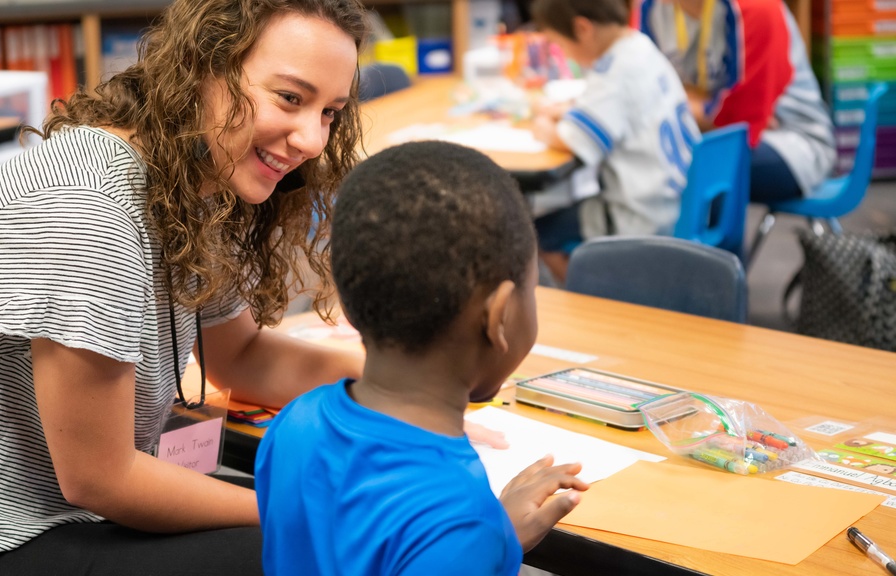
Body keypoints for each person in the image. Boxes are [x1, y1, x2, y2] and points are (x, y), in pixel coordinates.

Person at [0, 0, 368, 574]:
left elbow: (244, 354)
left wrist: (396, 383)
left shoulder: (195, 178)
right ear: (204, 67)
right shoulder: (87, 208)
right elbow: (100, 480)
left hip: (70, 510)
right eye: (290, 98)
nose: (311, 138)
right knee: (305, 546)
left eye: (331, 112)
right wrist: (293, 510)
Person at [255, 140, 590, 575]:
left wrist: (496, 538)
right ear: (500, 316)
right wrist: (487, 543)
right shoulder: (462, 525)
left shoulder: (294, 423)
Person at [528, 0, 700, 283]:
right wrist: (569, 111)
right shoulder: (639, 47)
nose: (564, 53)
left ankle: (599, 304)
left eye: (559, 44)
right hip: (678, 202)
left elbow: (569, 139)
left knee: (538, 232)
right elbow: (616, 109)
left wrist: (543, 123)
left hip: (642, 218)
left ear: (582, 29)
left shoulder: (613, 74)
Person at [638, 0, 836, 204]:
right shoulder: (650, 8)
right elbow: (642, 97)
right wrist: (703, 108)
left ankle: (696, 237)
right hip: (704, 135)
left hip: (791, 141)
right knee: (637, 158)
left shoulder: (758, 8)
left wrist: (678, 103)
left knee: (687, 166)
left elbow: (736, 124)